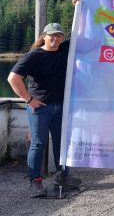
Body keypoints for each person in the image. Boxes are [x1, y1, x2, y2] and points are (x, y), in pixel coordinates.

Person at [7, 22, 82, 197]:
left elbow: (81, 30)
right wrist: (29, 100)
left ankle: (62, 177)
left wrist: (80, 5)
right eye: (51, 35)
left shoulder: (64, 50)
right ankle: (35, 182)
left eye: (58, 35)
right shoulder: (32, 56)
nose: (55, 39)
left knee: (61, 143)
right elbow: (13, 78)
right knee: (38, 143)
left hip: (61, 106)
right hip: (40, 109)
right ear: (44, 37)